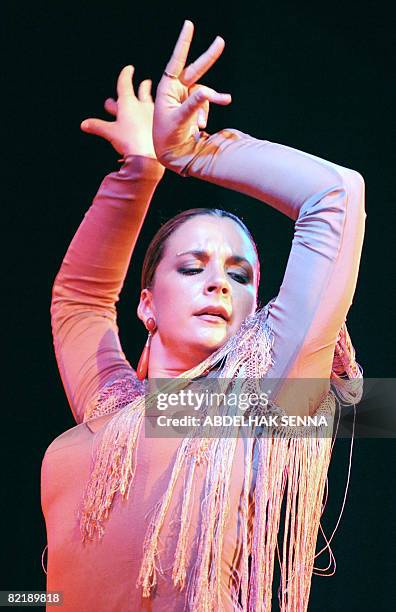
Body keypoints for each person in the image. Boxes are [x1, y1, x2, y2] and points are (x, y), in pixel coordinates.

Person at [41, 20, 366, 611]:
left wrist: (195, 152)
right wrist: (140, 170)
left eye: (240, 275)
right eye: (192, 267)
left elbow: (336, 196)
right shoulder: (108, 402)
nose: (218, 279)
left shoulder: (263, 403)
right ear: (146, 304)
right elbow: (81, 299)